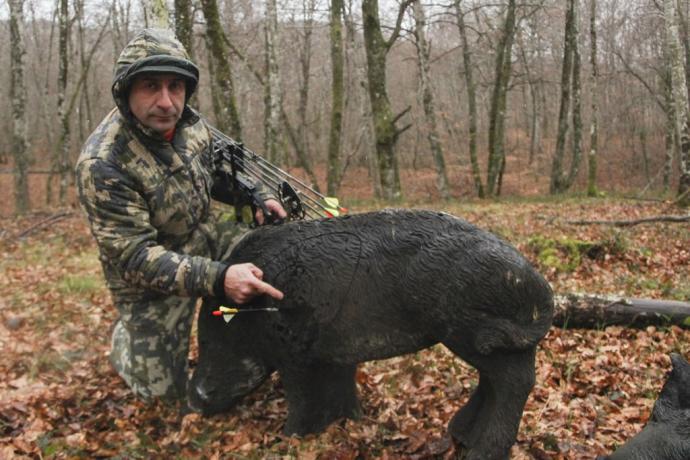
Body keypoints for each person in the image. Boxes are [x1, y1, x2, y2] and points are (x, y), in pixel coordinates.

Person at [76, 28, 286, 402]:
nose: (166, 101)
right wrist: (220, 279)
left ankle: (247, 339)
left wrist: (257, 195)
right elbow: (134, 257)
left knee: (278, 257)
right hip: (149, 279)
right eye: (151, 86)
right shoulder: (103, 163)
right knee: (162, 393)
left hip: (203, 234)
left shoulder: (191, 124)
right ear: (125, 90)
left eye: (176, 86)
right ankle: (127, 341)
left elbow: (218, 172)